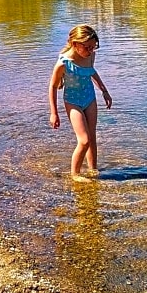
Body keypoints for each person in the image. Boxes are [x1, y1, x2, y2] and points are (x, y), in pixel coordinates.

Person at [49, 24, 113, 182]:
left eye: (93, 47)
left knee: (92, 137)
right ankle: (75, 174)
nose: (91, 51)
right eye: (88, 47)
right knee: (83, 140)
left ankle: (93, 170)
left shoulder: (90, 56)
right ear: (75, 44)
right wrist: (54, 113)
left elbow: (92, 71)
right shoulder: (63, 64)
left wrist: (104, 91)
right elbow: (52, 86)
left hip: (89, 98)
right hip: (73, 102)